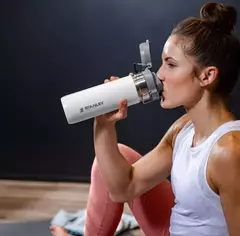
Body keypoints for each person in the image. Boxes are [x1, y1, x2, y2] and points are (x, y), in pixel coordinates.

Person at [51, 2, 240, 236]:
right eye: (162, 62)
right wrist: (104, 126)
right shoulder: (184, 129)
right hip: (172, 230)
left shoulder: (229, 150)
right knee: (114, 157)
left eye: (170, 65)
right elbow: (124, 188)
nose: (159, 75)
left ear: (206, 75)